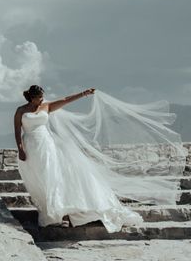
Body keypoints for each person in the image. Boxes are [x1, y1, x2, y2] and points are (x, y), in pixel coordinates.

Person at [13, 84, 184, 232]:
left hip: (47, 145)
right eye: (39, 98)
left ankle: (58, 212)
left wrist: (83, 94)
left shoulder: (47, 106)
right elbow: (17, 132)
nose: (42, 100)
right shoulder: (21, 111)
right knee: (38, 179)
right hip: (31, 146)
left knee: (52, 178)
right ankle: (49, 212)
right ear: (32, 98)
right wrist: (20, 149)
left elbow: (65, 99)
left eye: (43, 97)